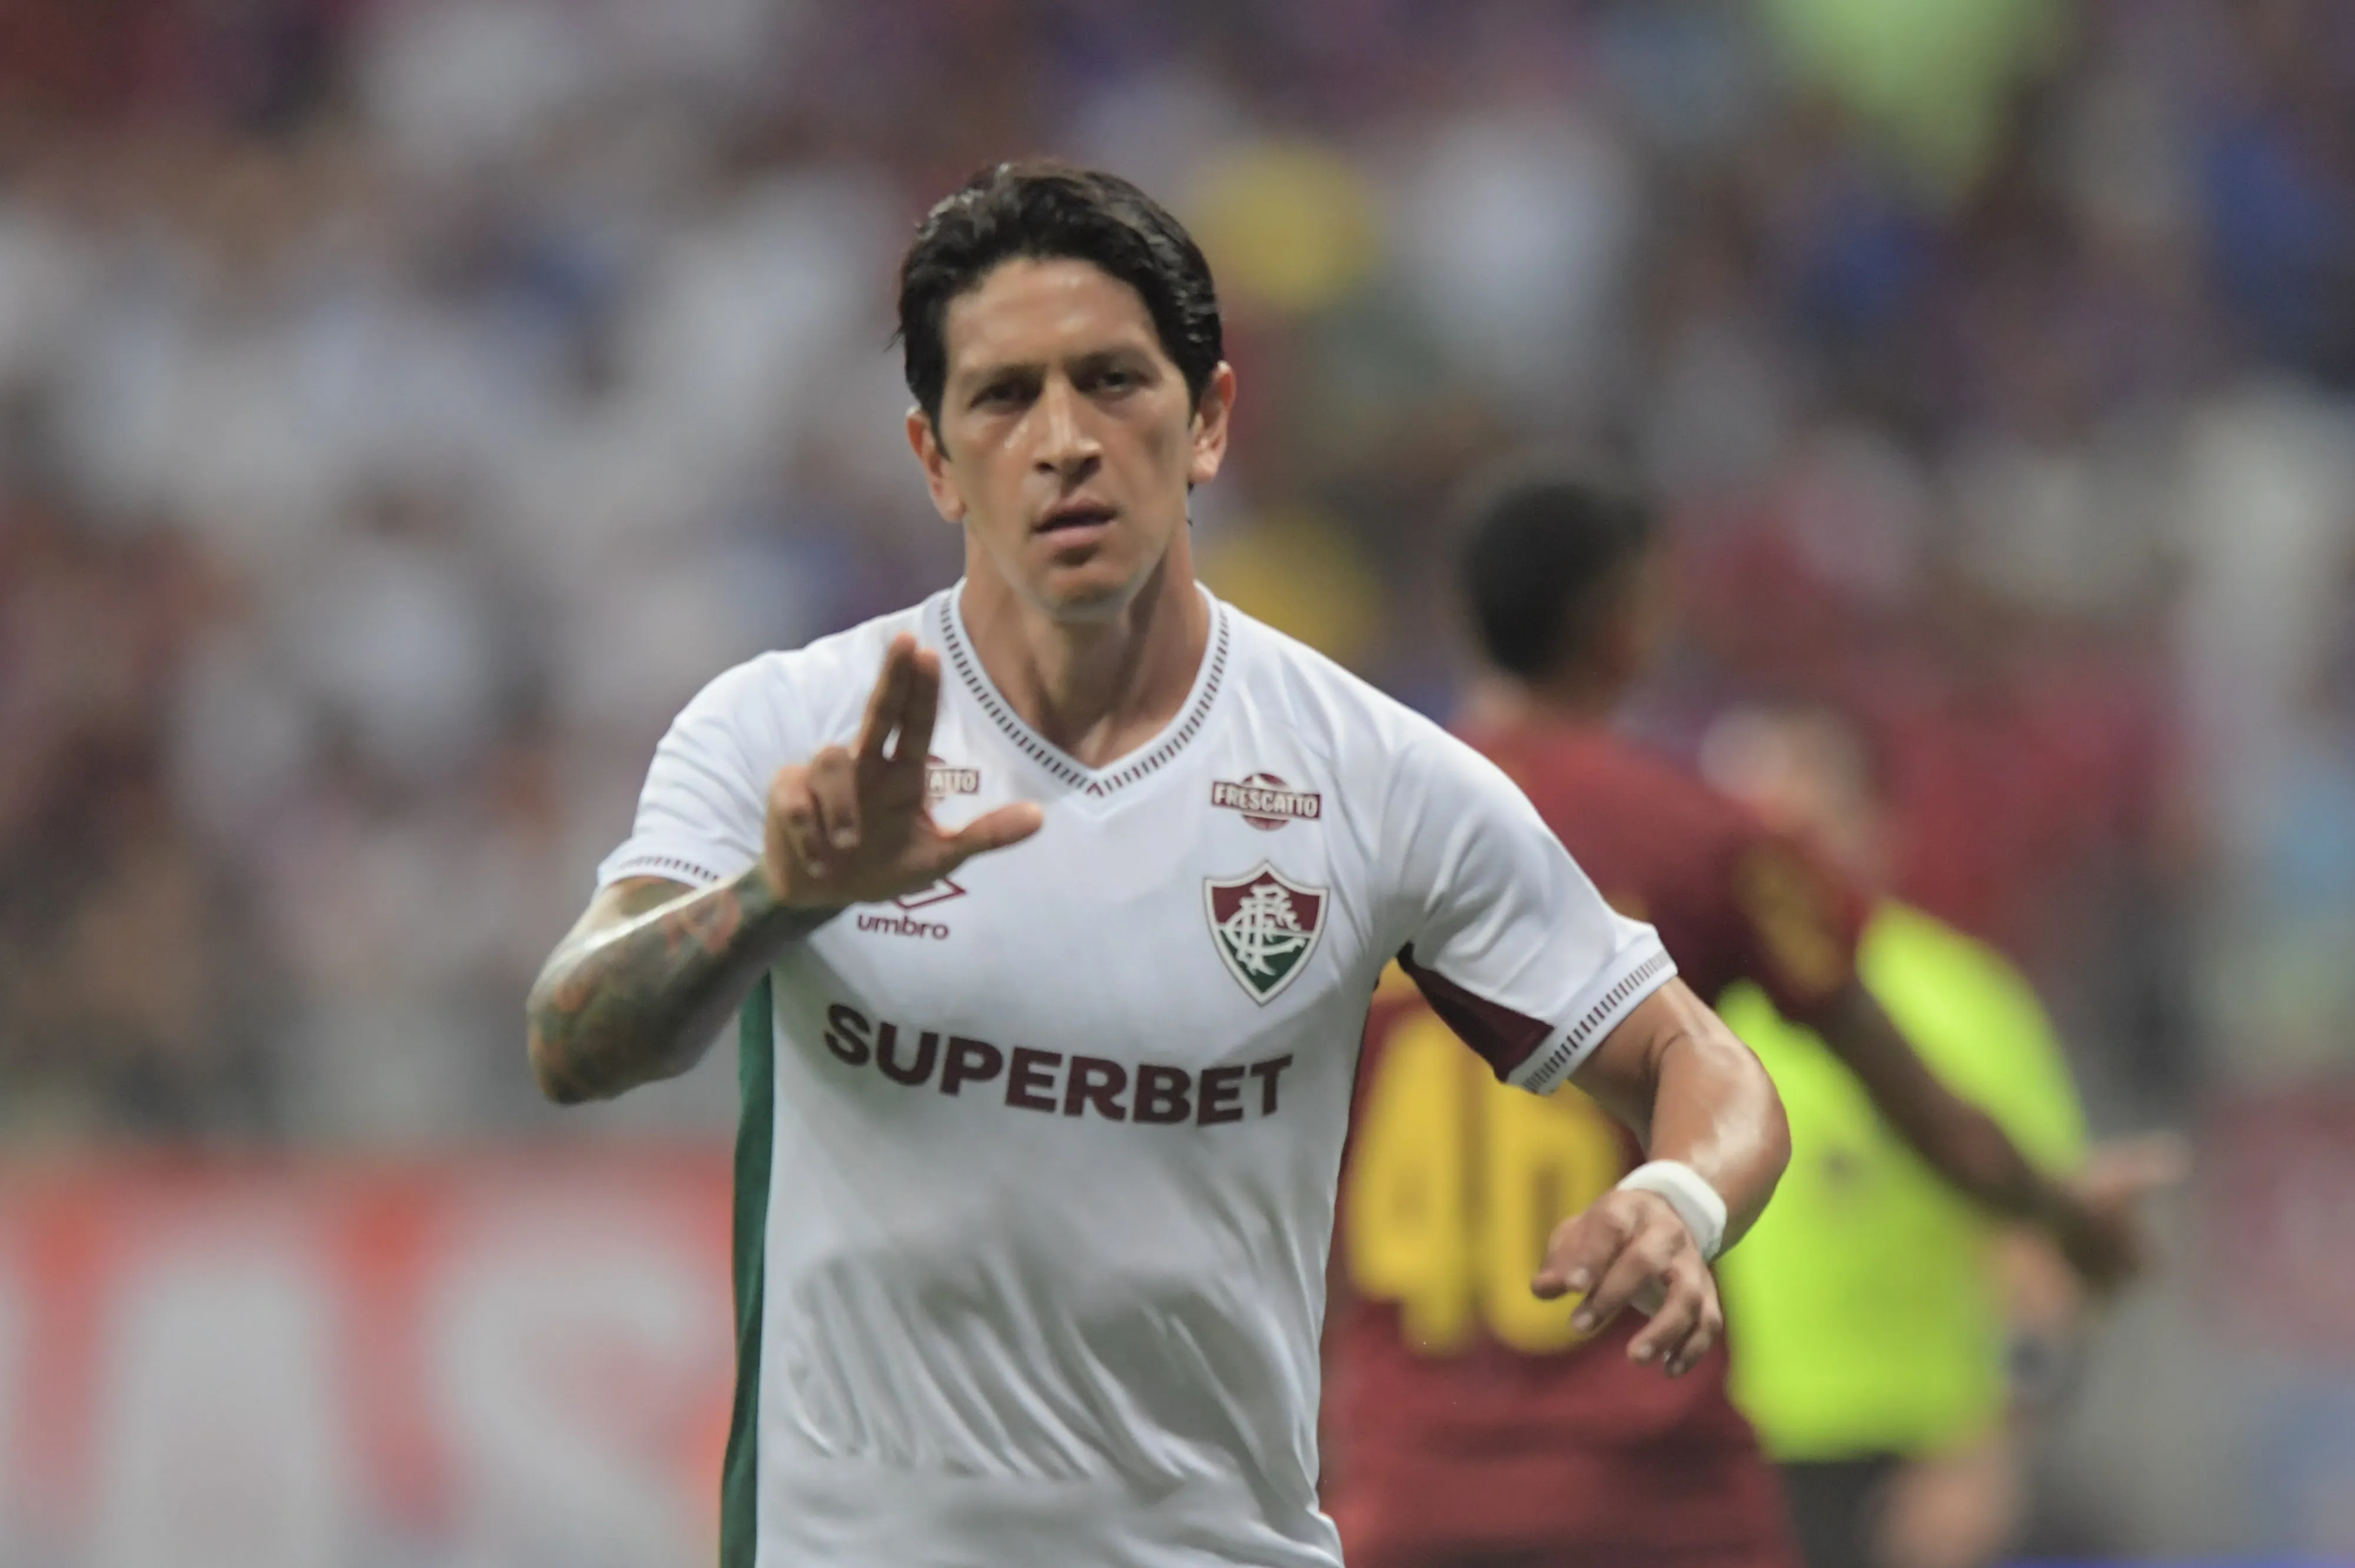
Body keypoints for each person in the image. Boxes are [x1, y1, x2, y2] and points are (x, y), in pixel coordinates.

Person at [524, 165, 1792, 1568]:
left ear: (1208, 422)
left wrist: (1676, 1197)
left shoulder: (1366, 776)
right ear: (934, 459)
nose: (1064, 440)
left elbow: (1707, 1067)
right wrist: (776, 897)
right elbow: (574, 1034)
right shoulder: (784, 730)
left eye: (1113, 381)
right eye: (1004, 397)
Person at [1325, 469, 2155, 1568]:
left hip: (1404, 1481)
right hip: (1647, 1485)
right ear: (1627, 625)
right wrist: (2064, 1214)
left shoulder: (1343, 841)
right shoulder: (1698, 839)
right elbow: (1929, 1115)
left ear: (1465, 617)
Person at [1704, 704, 2179, 1568]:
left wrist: (1987, 1454)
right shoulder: (1691, 1007)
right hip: (1717, 1463)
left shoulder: (1960, 1007)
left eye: (1801, 829)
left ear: (1874, 831)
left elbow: (2036, 1261)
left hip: (1904, 1462)